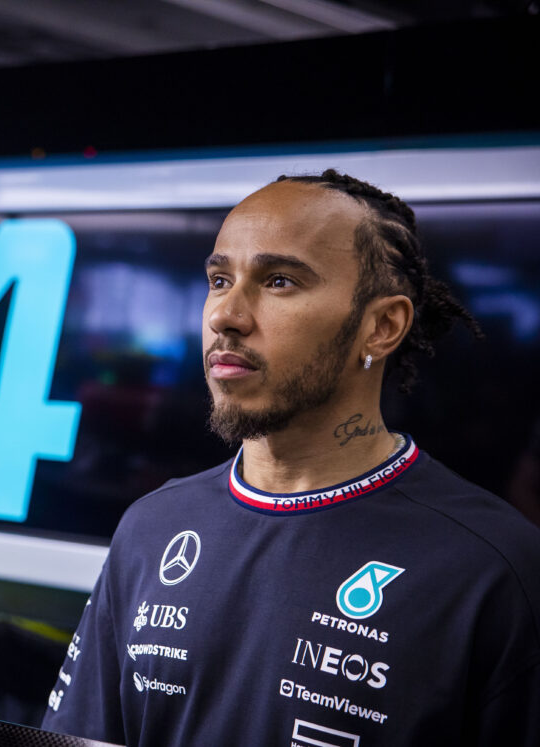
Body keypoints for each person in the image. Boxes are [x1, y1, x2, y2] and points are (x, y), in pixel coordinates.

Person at [40, 170, 540, 746]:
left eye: (278, 280)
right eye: (220, 278)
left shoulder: (493, 571)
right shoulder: (152, 527)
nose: (225, 315)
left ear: (382, 326)